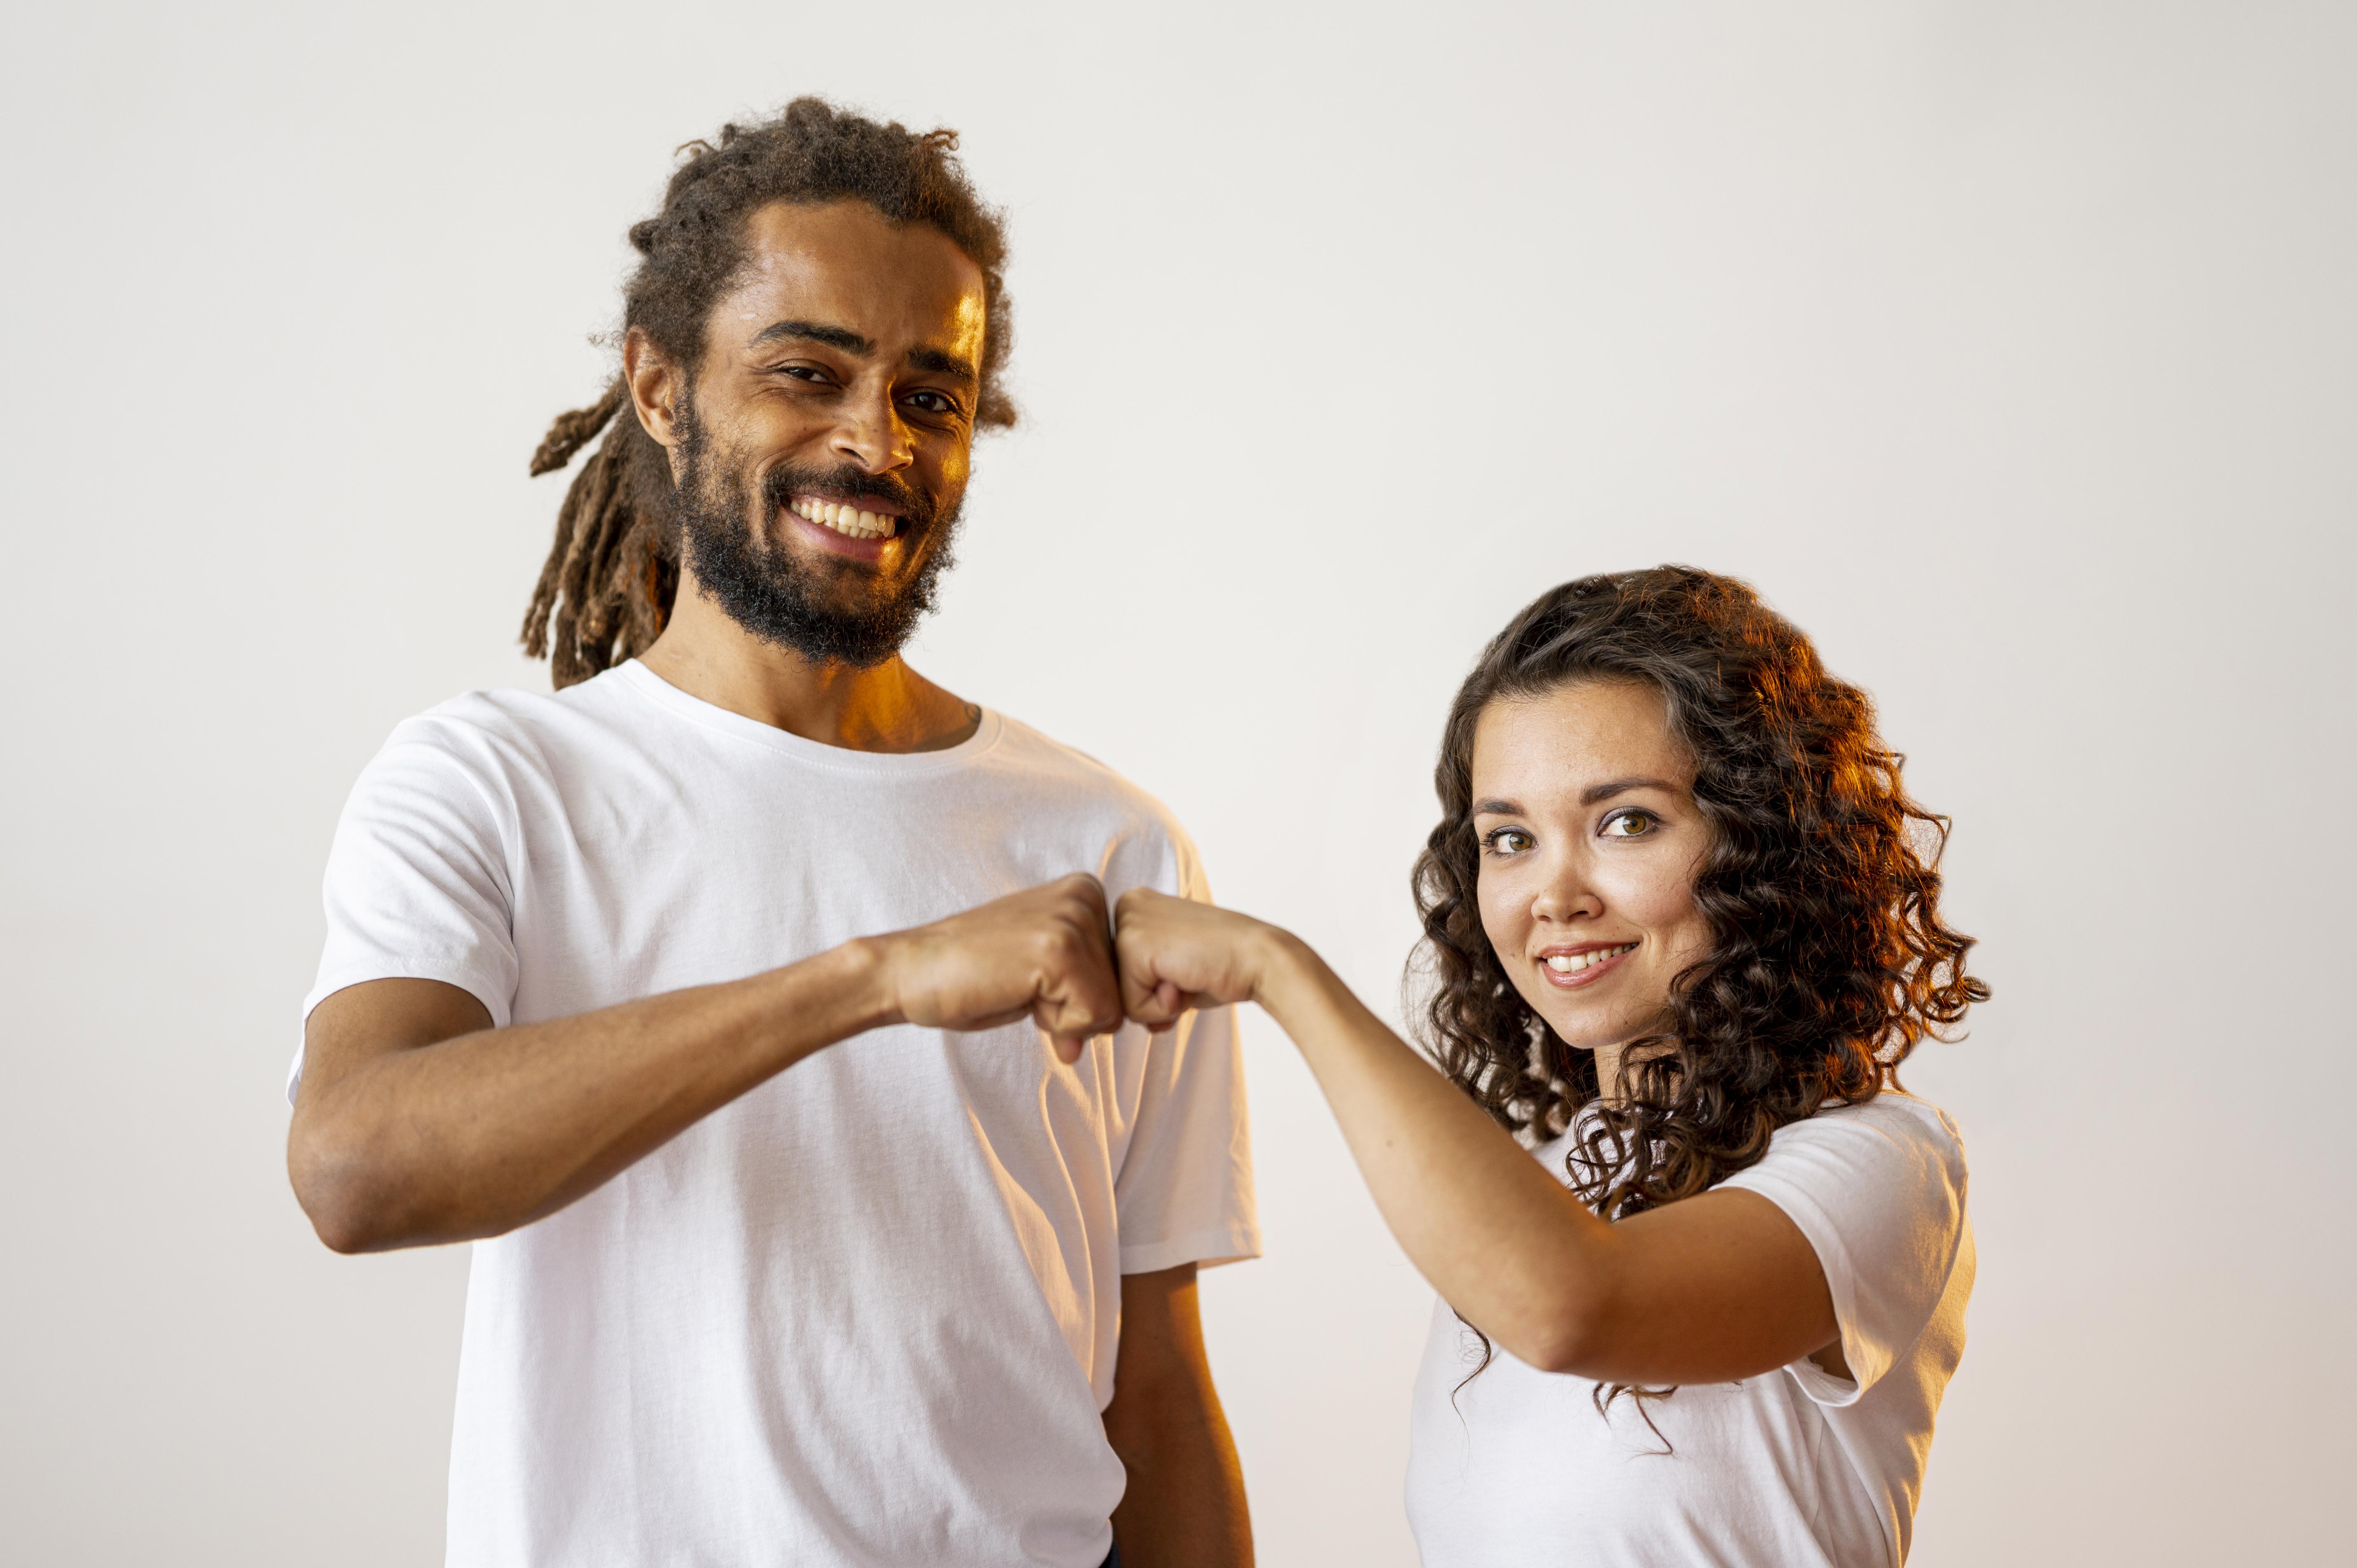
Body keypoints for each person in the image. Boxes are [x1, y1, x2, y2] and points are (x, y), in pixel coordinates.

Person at [285, 99, 1257, 1568]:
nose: (875, 441)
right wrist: (871, 978)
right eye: (808, 373)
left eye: (933, 396)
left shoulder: (1106, 841)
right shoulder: (493, 782)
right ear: (661, 387)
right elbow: (355, 1170)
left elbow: (1160, 1387)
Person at [1114, 566, 1985, 1566]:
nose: (1552, 894)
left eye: (1626, 822)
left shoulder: (1883, 1166)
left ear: (1761, 842)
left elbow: (1572, 1307)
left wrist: (1279, 973)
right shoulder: (1533, 1176)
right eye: (1509, 839)